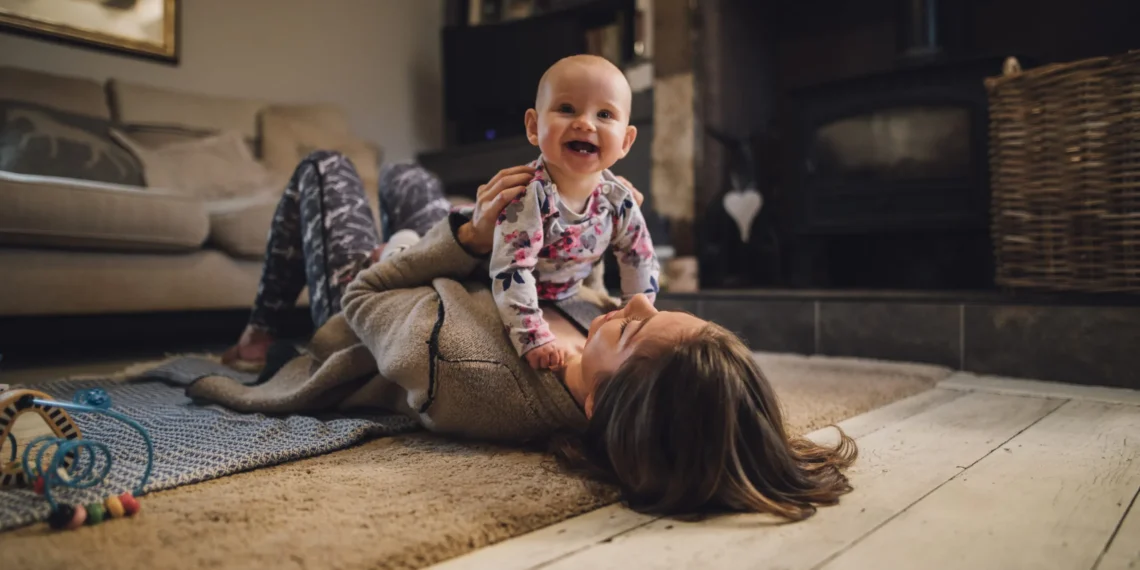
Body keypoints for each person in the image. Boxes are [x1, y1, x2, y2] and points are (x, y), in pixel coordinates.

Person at [202, 130, 855, 523]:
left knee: (326, 167)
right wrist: (583, 218)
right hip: (458, 274)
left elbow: (368, 297)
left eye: (632, 329)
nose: (635, 307)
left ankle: (260, 331)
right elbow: (581, 289)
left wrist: (462, 237)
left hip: (374, 302)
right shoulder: (615, 342)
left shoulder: (467, 370)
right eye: (657, 306)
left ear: (600, 403)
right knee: (407, 176)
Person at [482, 55, 658, 372]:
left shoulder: (618, 199)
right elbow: (511, 270)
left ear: (626, 142)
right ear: (534, 127)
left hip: (568, 290)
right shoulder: (530, 196)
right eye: (567, 109)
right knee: (422, 237)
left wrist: (633, 322)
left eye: (604, 114)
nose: (585, 123)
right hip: (497, 279)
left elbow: (639, 258)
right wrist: (532, 336)